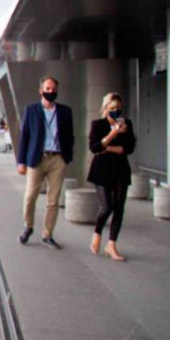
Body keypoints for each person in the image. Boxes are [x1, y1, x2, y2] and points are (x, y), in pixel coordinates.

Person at [16, 76, 75, 249]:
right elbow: (25, 136)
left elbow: (70, 135)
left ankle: (47, 234)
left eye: (53, 89)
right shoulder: (32, 110)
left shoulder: (65, 111)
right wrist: (21, 161)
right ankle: (28, 226)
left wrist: (67, 157)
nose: (51, 92)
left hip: (57, 159)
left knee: (53, 200)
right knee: (30, 197)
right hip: (37, 158)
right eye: (47, 89)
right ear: (41, 90)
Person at [87, 93, 137, 261]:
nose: (116, 111)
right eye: (112, 108)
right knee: (107, 207)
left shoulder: (127, 124)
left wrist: (107, 148)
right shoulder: (98, 124)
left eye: (118, 108)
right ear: (105, 108)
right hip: (101, 171)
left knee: (119, 207)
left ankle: (111, 245)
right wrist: (114, 134)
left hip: (121, 170)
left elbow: (129, 148)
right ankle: (97, 233)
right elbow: (94, 148)